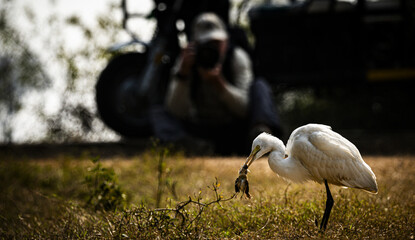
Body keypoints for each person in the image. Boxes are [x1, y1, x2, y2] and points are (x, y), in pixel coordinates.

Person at [150, 13, 282, 155]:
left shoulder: (237, 58)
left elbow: (245, 109)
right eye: (205, 44)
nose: (210, 48)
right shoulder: (186, 62)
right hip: (201, 130)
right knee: (159, 112)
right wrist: (183, 75)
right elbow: (176, 111)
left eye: (216, 43)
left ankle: (262, 143)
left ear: (225, 42)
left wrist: (220, 85)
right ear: (195, 44)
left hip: (235, 129)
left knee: (260, 86)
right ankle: (195, 148)